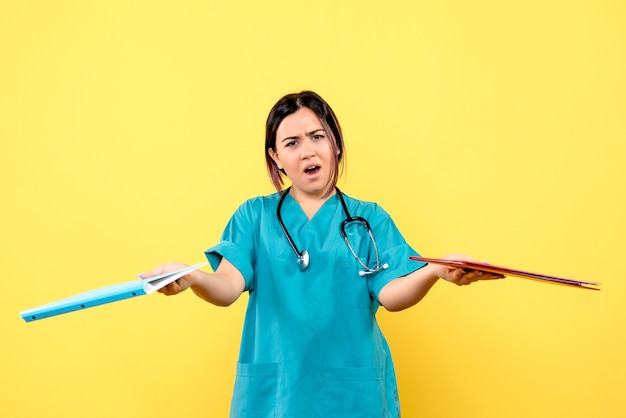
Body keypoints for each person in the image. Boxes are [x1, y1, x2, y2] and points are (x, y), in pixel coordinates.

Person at [141, 91, 504, 417]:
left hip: (352, 393)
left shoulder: (369, 219)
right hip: (276, 396)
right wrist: (189, 277)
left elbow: (392, 294)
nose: (308, 150)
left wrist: (434, 271)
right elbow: (227, 287)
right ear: (276, 157)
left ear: (336, 145)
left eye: (318, 137)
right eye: (292, 142)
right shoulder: (254, 217)